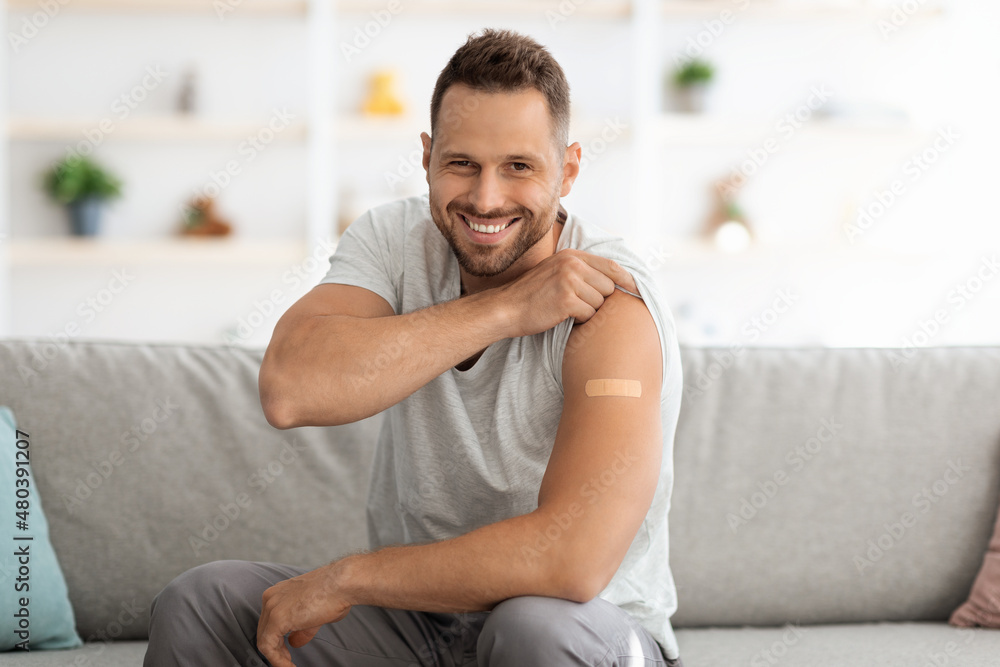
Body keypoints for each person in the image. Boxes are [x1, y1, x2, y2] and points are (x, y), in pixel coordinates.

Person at [144, 27, 685, 667]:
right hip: (422, 629)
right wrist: (506, 307)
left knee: (533, 630)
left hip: (586, 628)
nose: (486, 198)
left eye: (519, 166)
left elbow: (573, 561)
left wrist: (347, 578)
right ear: (426, 157)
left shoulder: (612, 300)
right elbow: (290, 389)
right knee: (202, 602)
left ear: (567, 171)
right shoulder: (395, 240)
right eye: (462, 164)